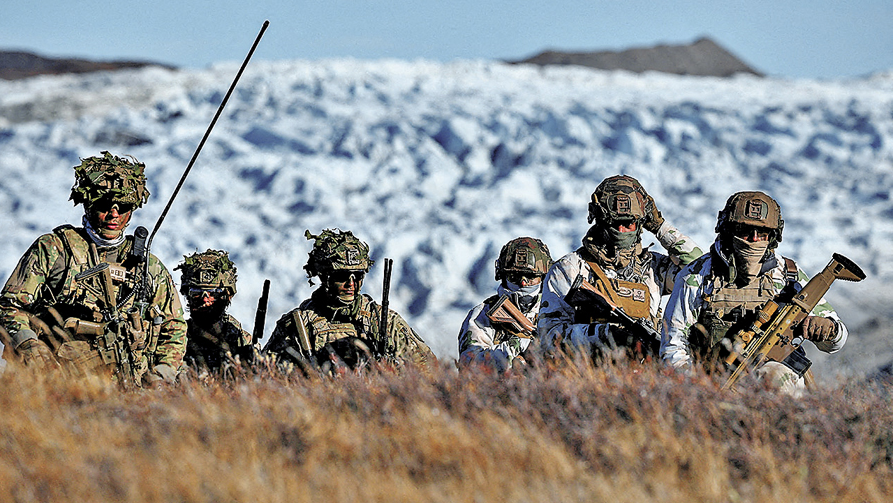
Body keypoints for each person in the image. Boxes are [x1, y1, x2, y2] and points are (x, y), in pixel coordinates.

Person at [0, 151, 186, 385]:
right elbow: (8, 307)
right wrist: (33, 351)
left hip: (128, 391)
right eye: (105, 204)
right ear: (88, 204)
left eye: (122, 206)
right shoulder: (55, 250)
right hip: (52, 385)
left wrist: (160, 375)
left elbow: (173, 327)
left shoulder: (148, 267)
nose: (114, 214)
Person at [660, 191, 848, 396]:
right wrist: (697, 390)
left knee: (777, 376)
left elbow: (836, 342)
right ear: (728, 230)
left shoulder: (787, 275)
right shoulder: (697, 276)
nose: (754, 239)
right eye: (745, 231)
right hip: (715, 383)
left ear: (773, 237)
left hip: (778, 384)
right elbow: (673, 345)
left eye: (763, 234)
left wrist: (828, 329)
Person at [538, 175, 703, 361]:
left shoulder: (655, 268)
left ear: (641, 223)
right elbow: (548, 338)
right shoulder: (570, 268)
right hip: (589, 378)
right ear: (599, 220)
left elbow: (700, 272)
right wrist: (603, 335)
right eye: (614, 223)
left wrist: (660, 227)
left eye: (629, 223)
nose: (622, 230)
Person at [264, 229, 435, 374]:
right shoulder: (298, 324)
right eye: (342, 276)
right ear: (325, 276)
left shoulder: (383, 321)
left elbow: (429, 370)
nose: (351, 283)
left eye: (358, 276)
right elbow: (267, 375)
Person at [458, 237, 552, 373]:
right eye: (515, 276)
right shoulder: (482, 315)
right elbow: (469, 366)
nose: (523, 283)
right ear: (502, 275)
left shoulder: (557, 310)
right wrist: (516, 346)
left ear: (543, 277)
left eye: (530, 276)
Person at [176, 249, 253, 374]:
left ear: (227, 296)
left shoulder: (241, 340)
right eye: (196, 294)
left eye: (213, 294)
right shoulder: (175, 338)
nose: (205, 300)